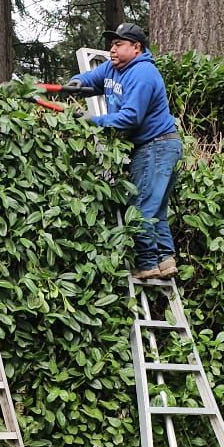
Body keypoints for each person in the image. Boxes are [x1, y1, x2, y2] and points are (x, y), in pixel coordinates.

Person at [68, 23, 183, 282]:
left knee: (140, 207)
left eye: (119, 44)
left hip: (157, 146)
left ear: (136, 47)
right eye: (111, 44)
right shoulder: (113, 67)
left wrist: (92, 120)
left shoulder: (143, 74)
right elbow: (93, 79)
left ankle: (147, 264)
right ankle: (165, 260)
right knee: (157, 209)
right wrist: (77, 82)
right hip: (158, 146)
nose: (112, 49)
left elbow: (130, 118)